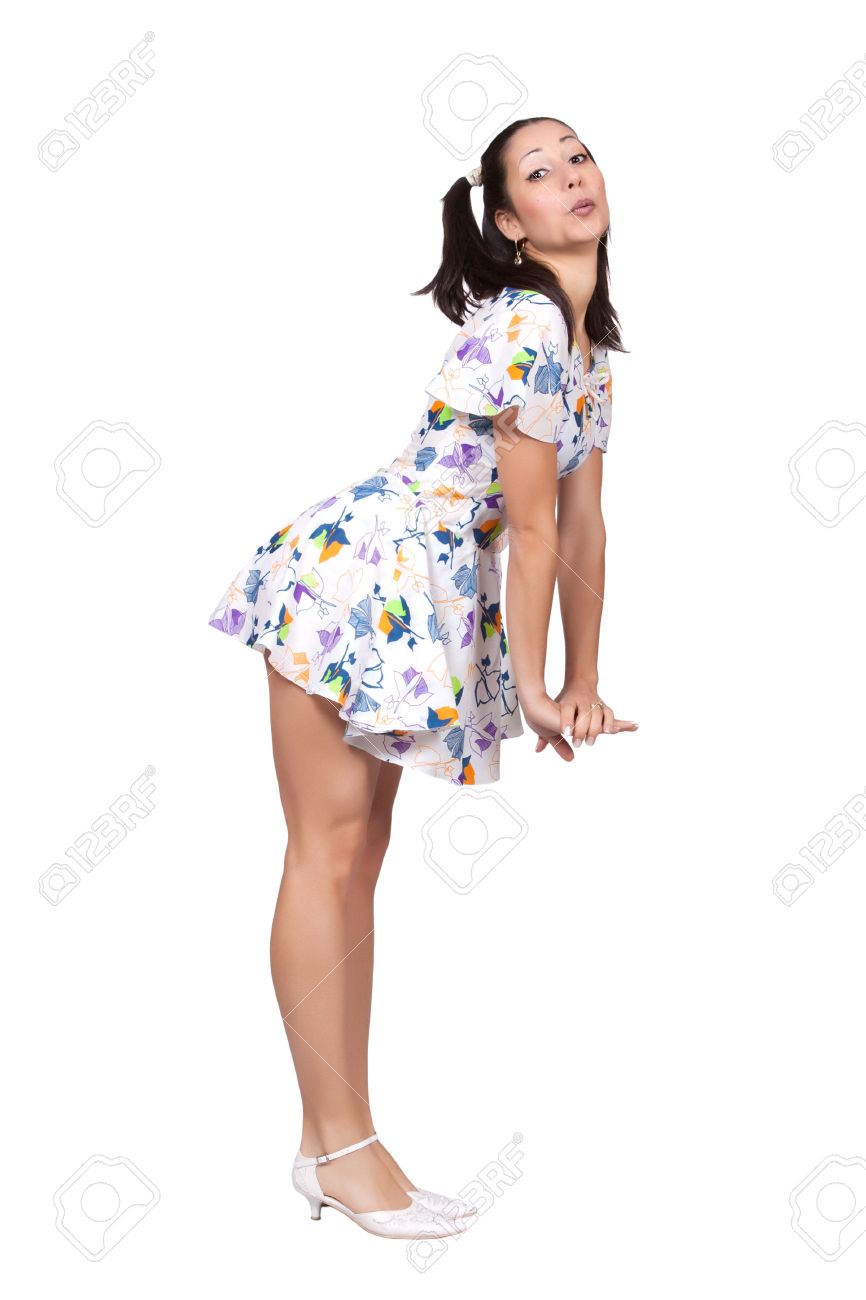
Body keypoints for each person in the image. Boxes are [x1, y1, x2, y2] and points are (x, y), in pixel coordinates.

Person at [207, 115, 638, 1240]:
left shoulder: (586, 348)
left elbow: (584, 525)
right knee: (328, 853)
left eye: (578, 156)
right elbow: (531, 530)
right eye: (539, 171)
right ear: (507, 223)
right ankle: (341, 1148)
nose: (571, 176)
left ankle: (339, 1145)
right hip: (363, 574)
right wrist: (537, 688)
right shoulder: (525, 325)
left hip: (423, 587)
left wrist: (585, 676)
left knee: (358, 857)